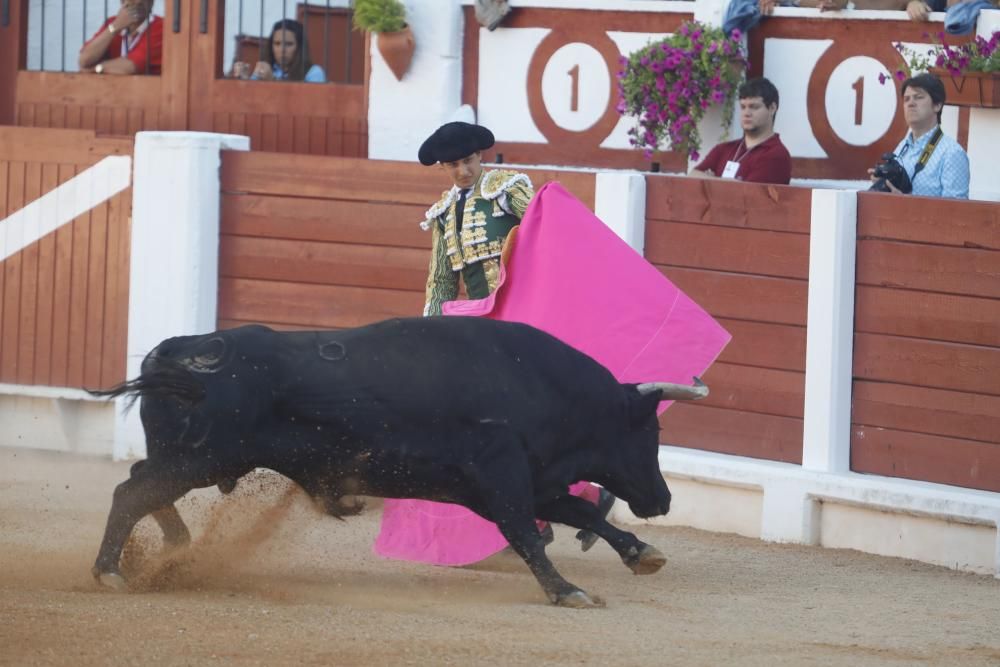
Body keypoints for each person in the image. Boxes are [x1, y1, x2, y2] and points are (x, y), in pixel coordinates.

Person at [374, 122, 615, 564]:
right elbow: (442, 281)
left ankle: (557, 510)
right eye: (454, 165)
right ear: (444, 167)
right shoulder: (444, 213)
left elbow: (550, 230)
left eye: (469, 161)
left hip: (522, 320)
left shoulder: (507, 189)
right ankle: (547, 514)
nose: (463, 170)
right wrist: (429, 336)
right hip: (481, 331)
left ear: (481, 157)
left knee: (517, 426)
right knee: (485, 429)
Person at [870, 73, 969, 198]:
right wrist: (884, 182)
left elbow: (956, 212)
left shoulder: (952, 153)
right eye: (907, 99)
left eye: (918, 97)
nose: (910, 103)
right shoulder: (902, 147)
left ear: (937, 105)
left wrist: (904, 203)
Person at [690, 77, 792, 185]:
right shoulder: (723, 149)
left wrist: (709, 181)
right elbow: (692, 177)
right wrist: (730, 183)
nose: (746, 113)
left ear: (772, 108)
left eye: (754, 107)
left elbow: (746, 195)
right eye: (743, 107)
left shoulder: (776, 155)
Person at [78, 0, 163, 75]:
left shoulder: (161, 26)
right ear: (122, 2)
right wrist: (115, 27)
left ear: (151, 2)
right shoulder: (112, 23)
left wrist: (95, 69)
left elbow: (131, 67)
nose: (138, 1)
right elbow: (84, 60)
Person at [231, 19, 326, 83]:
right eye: (277, 43)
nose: (282, 50)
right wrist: (245, 80)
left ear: (300, 47)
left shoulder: (313, 72)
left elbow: (309, 103)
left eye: (289, 44)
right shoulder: (265, 69)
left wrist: (272, 80)